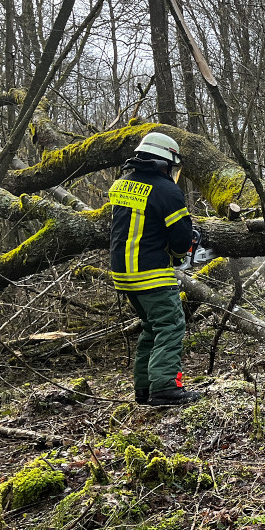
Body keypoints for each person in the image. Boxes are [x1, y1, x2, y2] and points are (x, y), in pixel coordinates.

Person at [108, 131, 202, 406]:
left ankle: (144, 389)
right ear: (164, 163)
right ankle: (164, 388)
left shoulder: (122, 185)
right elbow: (181, 238)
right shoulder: (167, 190)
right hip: (150, 272)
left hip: (123, 273)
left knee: (152, 327)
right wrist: (178, 253)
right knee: (171, 324)